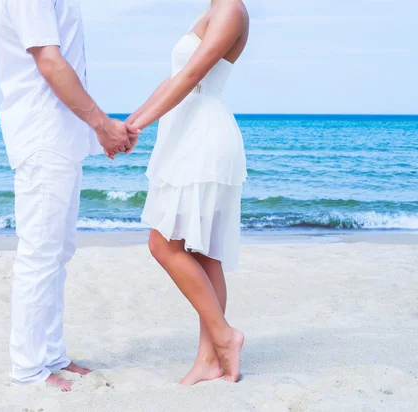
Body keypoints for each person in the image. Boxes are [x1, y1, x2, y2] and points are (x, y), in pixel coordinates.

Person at [0, 0, 140, 392]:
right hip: (43, 136)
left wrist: (96, 128)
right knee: (40, 254)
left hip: (62, 138)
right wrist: (101, 124)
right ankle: (27, 369)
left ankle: (52, 354)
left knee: (58, 252)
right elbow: (49, 61)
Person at [127, 0, 249, 385]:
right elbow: (173, 78)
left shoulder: (231, 9)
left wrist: (139, 126)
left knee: (164, 245)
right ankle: (209, 359)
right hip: (184, 134)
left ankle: (226, 336)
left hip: (204, 136)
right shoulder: (206, 12)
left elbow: (193, 75)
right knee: (200, 252)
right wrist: (130, 124)